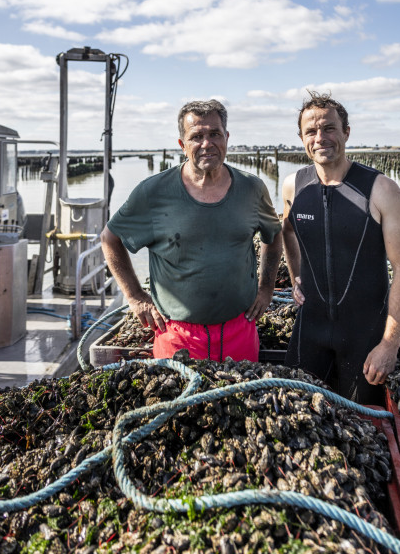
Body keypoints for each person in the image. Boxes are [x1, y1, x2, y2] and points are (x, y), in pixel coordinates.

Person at [101, 99, 282, 363]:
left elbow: (274, 235)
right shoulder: (153, 192)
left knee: (240, 402)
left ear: (227, 138)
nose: (207, 143)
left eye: (214, 134)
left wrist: (266, 289)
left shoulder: (252, 189)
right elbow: (110, 238)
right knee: (180, 404)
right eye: (196, 136)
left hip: (240, 330)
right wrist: (135, 296)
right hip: (176, 335)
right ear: (182, 145)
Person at [282, 91, 400, 404]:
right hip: (310, 328)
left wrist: (389, 345)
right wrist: (295, 276)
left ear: (346, 132)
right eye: (311, 131)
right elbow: (286, 231)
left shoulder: (380, 189)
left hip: (364, 334)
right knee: (295, 409)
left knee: (363, 424)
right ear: (301, 137)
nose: (320, 138)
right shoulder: (294, 185)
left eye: (329, 128)